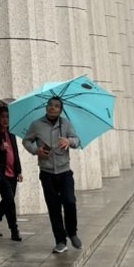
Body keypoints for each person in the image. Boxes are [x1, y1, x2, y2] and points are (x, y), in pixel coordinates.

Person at [22, 97, 81, 254]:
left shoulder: (66, 124)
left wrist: (69, 141)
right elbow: (26, 141)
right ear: (46, 107)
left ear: (60, 110)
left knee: (69, 202)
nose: (52, 108)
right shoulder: (36, 125)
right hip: (47, 173)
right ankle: (60, 241)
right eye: (50, 105)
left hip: (64, 171)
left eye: (56, 106)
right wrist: (36, 150)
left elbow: (77, 140)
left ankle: (72, 232)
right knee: (54, 208)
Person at [0, 107, 22, 241]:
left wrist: (19, 170)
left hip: (12, 172)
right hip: (0, 172)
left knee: (7, 200)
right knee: (9, 199)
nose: (5, 120)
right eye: (2, 117)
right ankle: (14, 230)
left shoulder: (11, 133)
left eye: (7, 117)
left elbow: (15, 152)